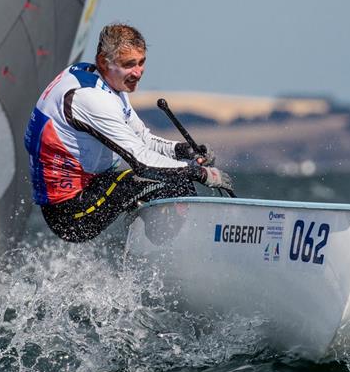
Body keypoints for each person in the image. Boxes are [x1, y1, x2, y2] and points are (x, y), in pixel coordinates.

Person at [24, 23, 232, 242]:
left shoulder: (102, 81)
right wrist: (199, 173)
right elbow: (142, 161)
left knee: (174, 181)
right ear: (104, 61)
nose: (138, 72)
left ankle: (151, 247)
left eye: (141, 62)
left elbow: (142, 139)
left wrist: (185, 151)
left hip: (92, 186)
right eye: (129, 64)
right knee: (177, 183)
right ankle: (170, 254)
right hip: (71, 215)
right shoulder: (90, 99)